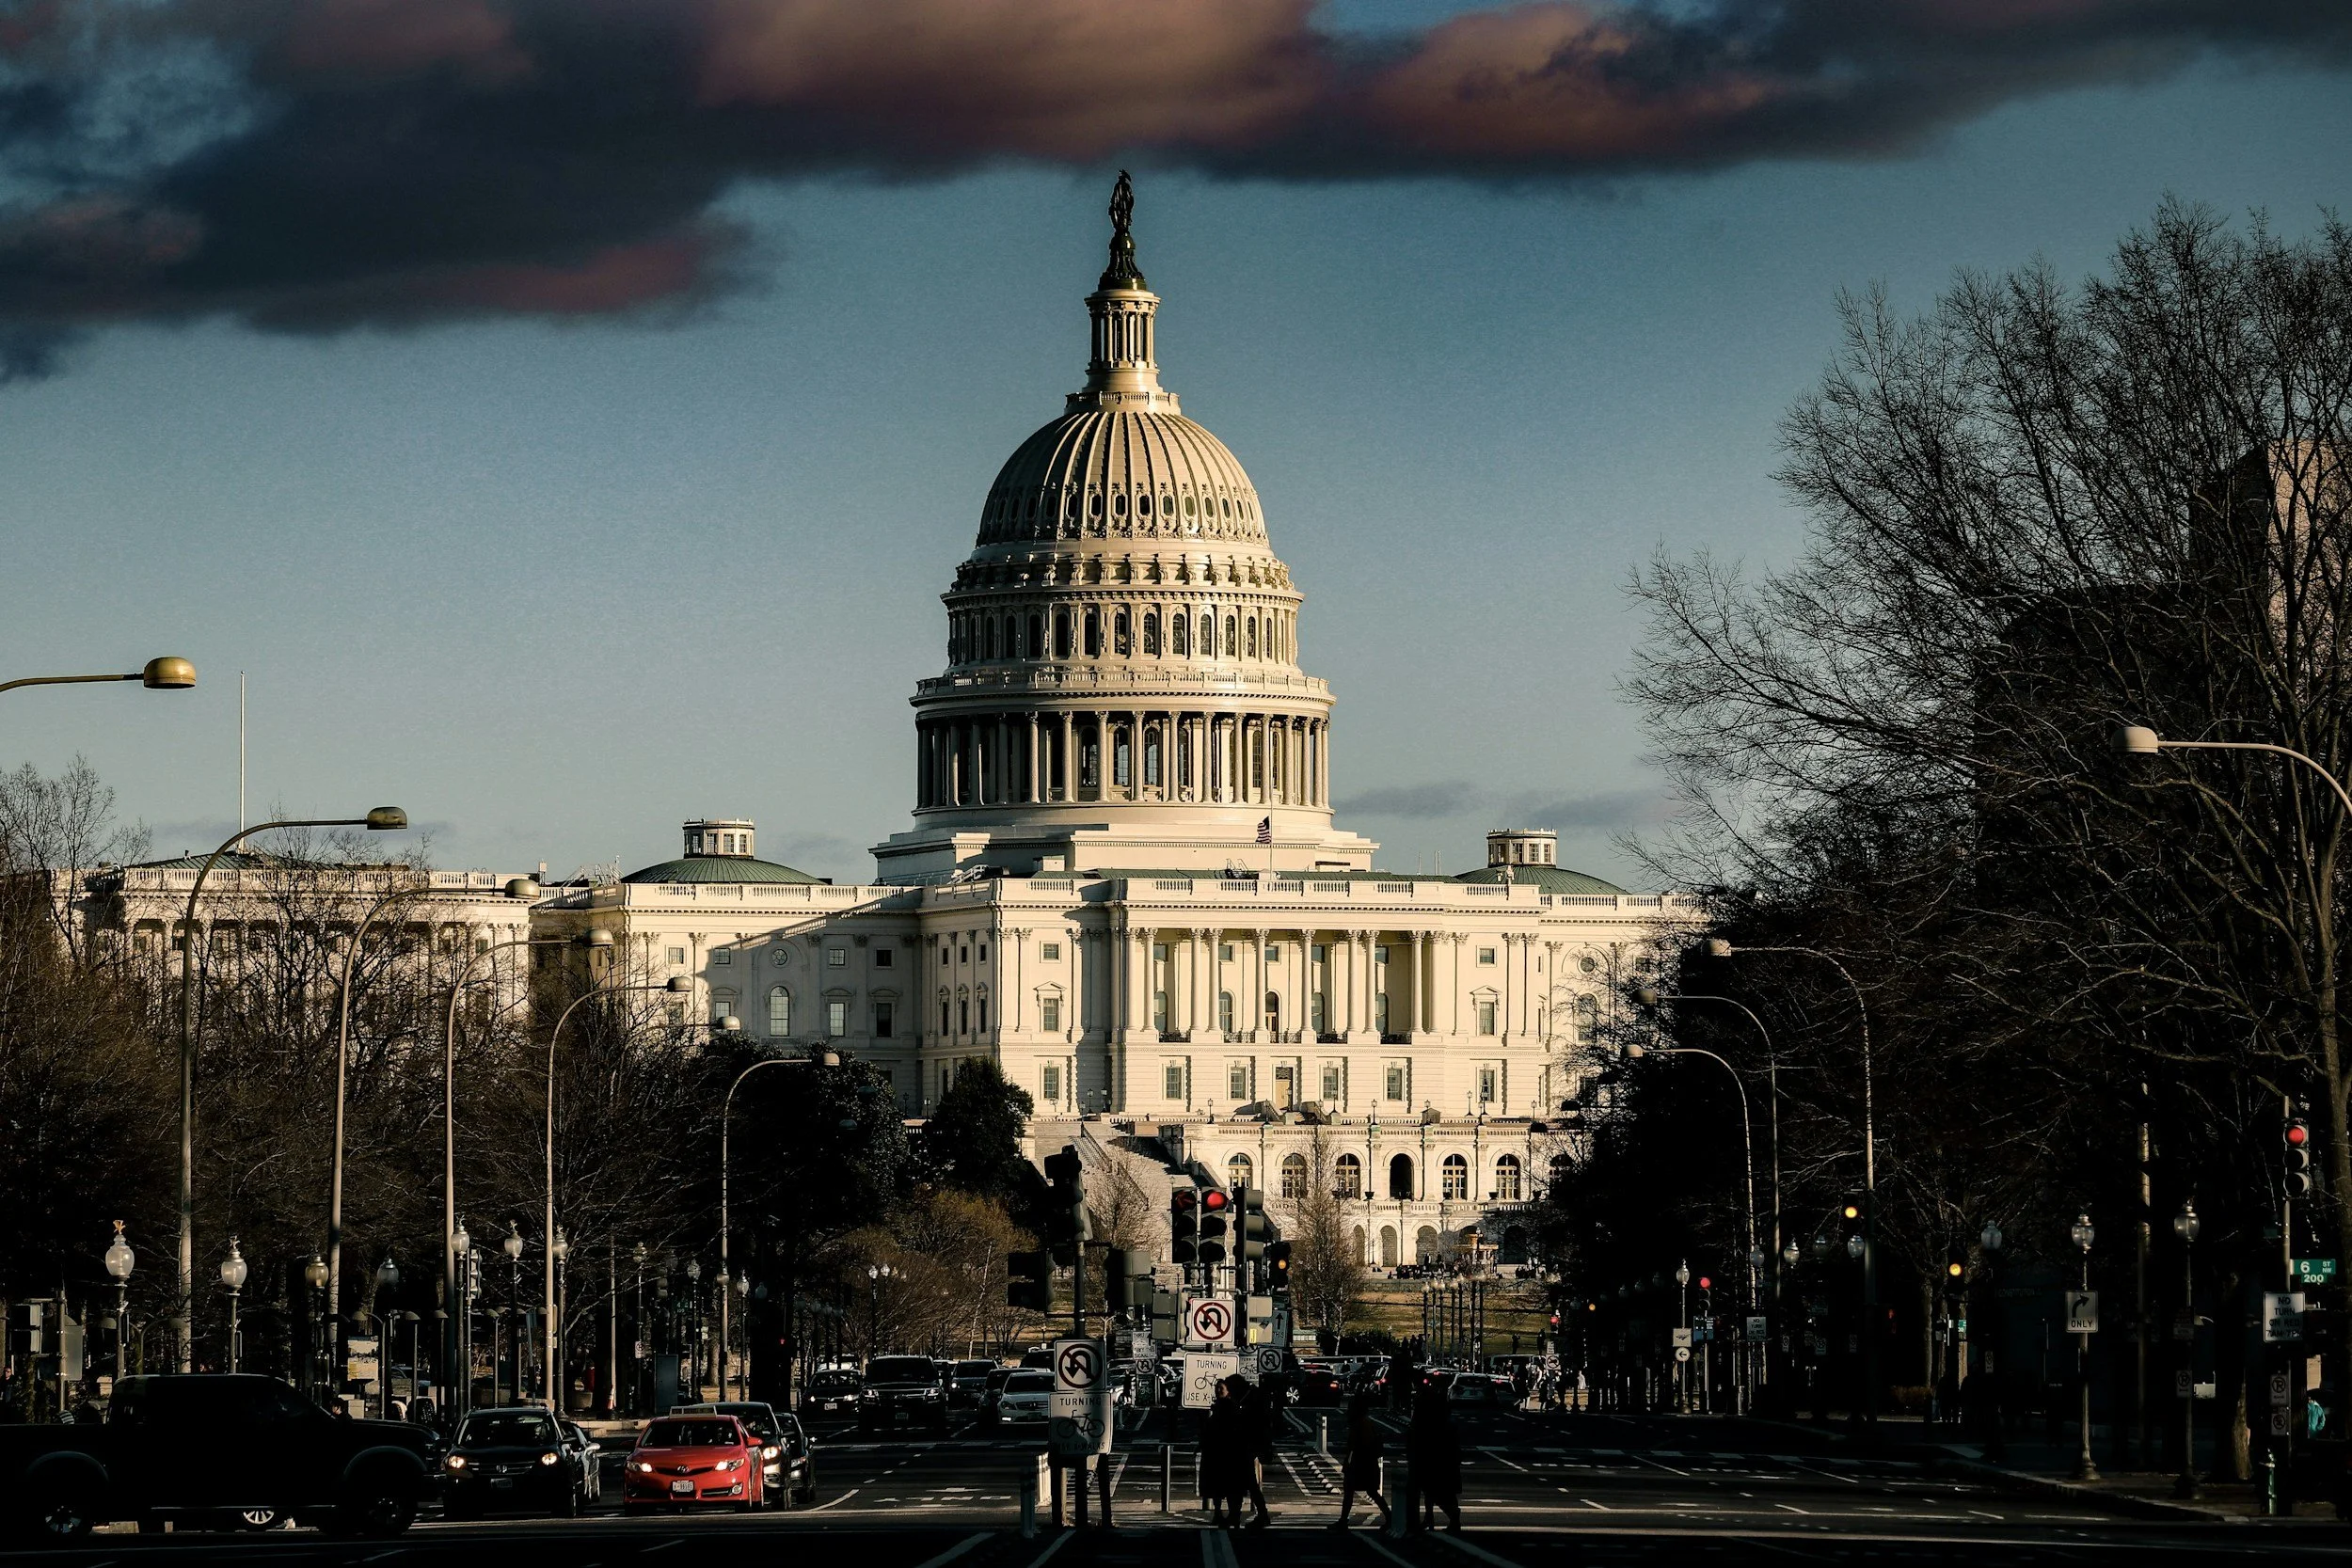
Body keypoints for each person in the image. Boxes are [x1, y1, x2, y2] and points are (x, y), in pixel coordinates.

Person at [1329, 1392, 1391, 1530]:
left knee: (1356, 1491)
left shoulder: (1360, 1424)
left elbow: (1355, 1446)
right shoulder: (1364, 1422)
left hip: (1362, 1464)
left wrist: (1348, 1462)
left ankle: (1344, 1520)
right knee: (1368, 1492)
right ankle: (1389, 1517)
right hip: (1366, 1463)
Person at [1407, 1382, 1462, 1531]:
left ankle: (1451, 1517)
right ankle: (1432, 1518)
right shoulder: (1442, 1418)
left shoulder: (1434, 1419)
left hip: (1437, 1459)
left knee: (1437, 1491)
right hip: (1442, 1458)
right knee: (1435, 1491)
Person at [1200, 1375, 1248, 1526]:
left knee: (1232, 1486)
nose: (1218, 1390)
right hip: (1215, 1452)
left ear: (1228, 1391)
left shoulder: (1232, 1407)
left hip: (1230, 1453)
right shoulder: (1218, 1407)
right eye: (1217, 1388)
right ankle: (1219, 1513)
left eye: (1221, 1388)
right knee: (1217, 1486)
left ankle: (1234, 1514)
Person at [1240, 1376, 1277, 1528]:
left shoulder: (1252, 1406)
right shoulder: (1259, 1404)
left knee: (1248, 1483)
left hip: (1248, 1448)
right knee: (1250, 1484)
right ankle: (1261, 1514)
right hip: (1251, 1447)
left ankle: (1261, 1514)